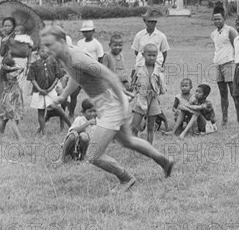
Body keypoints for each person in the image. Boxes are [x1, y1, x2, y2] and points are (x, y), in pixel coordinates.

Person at [41, 26, 174, 192]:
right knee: (128, 141)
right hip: (106, 104)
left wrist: (123, 102)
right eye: (44, 45)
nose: (46, 49)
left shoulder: (76, 59)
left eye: (49, 44)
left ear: (61, 41)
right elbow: (76, 78)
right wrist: (63, 96)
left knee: (93, 155)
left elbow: (108, 75)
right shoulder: (65, 57)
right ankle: (165, 162)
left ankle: (126, 179)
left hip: (111, 105)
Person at [27, 45, 71, 134]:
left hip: (51, 91)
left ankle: (71, 126)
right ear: (38, 51)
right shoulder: (34, 65)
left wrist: (50, 88)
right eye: (43, 51)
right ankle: (44, 133)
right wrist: (40, 90)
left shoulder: (53, 62)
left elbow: (57, 76)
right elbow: (32, 79)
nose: (45, 53)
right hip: (39, 92)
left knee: (59, 108)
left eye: (48, 51)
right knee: (41, 112)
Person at [130, 44, 166, 144]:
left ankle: (149, 148)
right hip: (141, 99)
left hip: (153, 99)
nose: (151, 58)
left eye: (154, 55)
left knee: (151, 126)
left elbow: (162, 87)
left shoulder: (159, 70)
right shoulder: (138, 68)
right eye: (149, 55)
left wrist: (158, 93)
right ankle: (135, 147)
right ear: (143, 54)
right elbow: (133, 83)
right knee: (135, 126)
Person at [210, 6, 238, 126]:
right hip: (218, 64)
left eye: (219, 19)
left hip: (230, 63)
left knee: (234, 92)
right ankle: (224, 119)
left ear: (224, 18)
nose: (217, 21)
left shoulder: (230, 31)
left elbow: (237, 46)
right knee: (223, 93)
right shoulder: (213, 34)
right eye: (215, 19)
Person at [0, 17, 33, 101]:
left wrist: (29, 63)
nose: (6, 28)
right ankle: (7, 107)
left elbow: (28, 51)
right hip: (8, 64)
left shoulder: (21, 37)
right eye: (5, 26)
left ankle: (19, 107)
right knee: (7, 86)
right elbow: (1, 53)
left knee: (19, 85)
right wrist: (3, 43)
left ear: (13, 26)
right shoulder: (5, 38)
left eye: (9, 26)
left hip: (21, 63)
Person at [0, 56, 23, 140]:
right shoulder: (9, 73)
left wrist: (9, 68)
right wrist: (11, 68)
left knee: (5, 118)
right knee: (13, 118)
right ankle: (19, 138)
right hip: (10, 98)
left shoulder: (6, 72)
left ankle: (0, 135)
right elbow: (22, 68)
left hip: (11, 97)